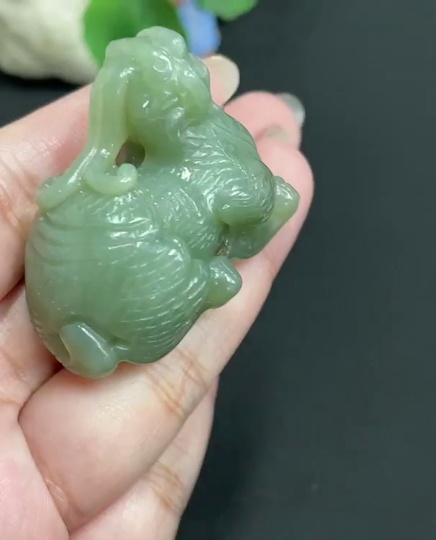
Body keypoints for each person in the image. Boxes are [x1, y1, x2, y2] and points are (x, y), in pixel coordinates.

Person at [0, 54, 313, 539]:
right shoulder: (176, 163)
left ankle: (148, 305)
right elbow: (249, 200)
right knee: (205, 260)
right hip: (120, 290)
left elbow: (253, 203)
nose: (180, 102)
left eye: (186, 84)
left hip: (113, 295)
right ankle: (152, 304)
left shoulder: (186, 146)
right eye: (161, 99)